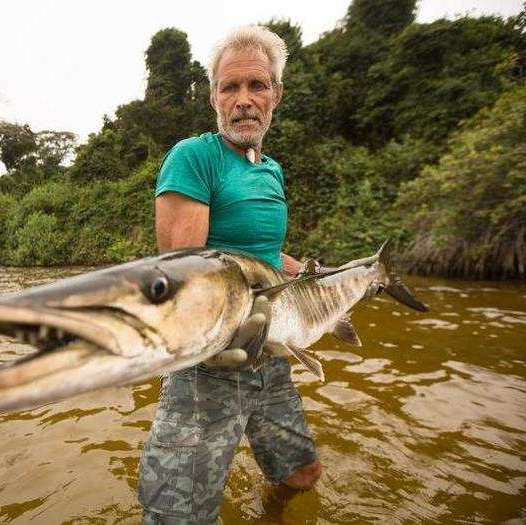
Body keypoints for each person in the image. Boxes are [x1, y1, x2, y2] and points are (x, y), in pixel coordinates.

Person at [138, 25, 322, 523]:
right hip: (210, 366)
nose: (244, 100)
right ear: (214, 97)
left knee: (300, 474)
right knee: (175, 517)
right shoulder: (194, 158)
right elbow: (191, 277)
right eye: (230, 87)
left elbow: (263, 252)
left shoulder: (271, 169)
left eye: (256, 86)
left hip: (273, 353)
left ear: (276, 95)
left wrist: (310, 276)